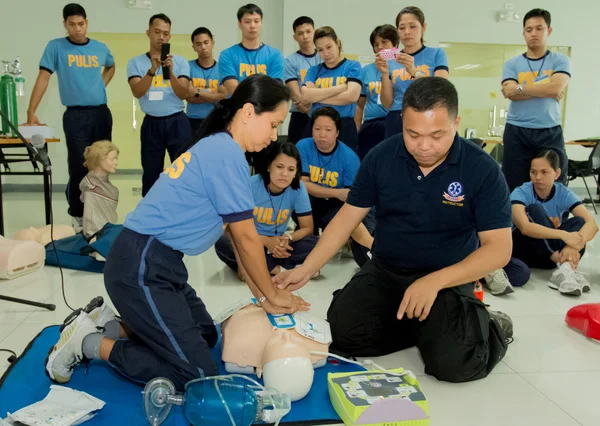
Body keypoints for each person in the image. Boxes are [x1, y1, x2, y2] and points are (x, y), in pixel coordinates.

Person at [45, 75, 309, 391]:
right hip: (140, 268)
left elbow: (238, 243)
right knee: (197, 374)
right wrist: (271, 295)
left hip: (158, 264)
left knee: (207, 335)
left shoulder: (219, 148)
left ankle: (112, 326)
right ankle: (86, 343)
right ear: (249, 112)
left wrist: (262, 295)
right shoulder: (225, 154)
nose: (274, 135)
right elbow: (246, 238)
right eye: (273, 124)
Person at [276, 77, 514, 383]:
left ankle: (490, 327)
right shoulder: (381, 157)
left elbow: (499, 248)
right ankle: (423, 327)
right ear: (401, 120)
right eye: (413, 134)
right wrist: (306, 269)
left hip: (447, 277)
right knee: (343, 333)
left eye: (437, 135)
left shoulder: (482, 169)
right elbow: (347, 218)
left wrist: (434, 282)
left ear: (456, 122)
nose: (424, 146)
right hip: (387, 270)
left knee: (455, 363)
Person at [26, 3, 115, 232]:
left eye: (81, 24)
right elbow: (43, 78)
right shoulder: (55, 48)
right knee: (79, 165)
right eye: (72, 25)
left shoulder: (99, 47)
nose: (77, 29)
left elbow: (111, 66)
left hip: (101, 113)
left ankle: (101, 212)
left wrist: (100, 86)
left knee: (103, 164)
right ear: (65, 24)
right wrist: (31, 111)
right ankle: (78, 215)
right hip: (75, 115)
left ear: (87, 23)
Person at [215, 142, 319, 277]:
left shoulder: (298, 188)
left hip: (280, 243)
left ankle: (255, 268)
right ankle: (283, 270)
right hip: (251, 240)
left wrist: (288, 238)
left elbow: (307, 228)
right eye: (279, 167)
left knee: (319, 242)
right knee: (222, 244)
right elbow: (229, 228)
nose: (284, 174)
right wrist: (265, 241)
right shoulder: (250, 185)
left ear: (296, 172)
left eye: (291, 169)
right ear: (269, 166)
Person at [501, 8, 571, 192]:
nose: (533, 33)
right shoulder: (511, 64)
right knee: (515, 185)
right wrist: (545, 88)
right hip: (517, 131)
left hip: (549, 130)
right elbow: (509, 92)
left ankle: (552, 221)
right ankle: (517, 222)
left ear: (549, 31)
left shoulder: (560, 61)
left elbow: (555, 87)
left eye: (539, 28)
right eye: (529, 29)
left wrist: (520, 88)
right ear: (523, 32)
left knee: (555, 184)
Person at [511, 150, 597, 296]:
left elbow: (592, 225)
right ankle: (564, 265)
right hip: (526, 250)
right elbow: (524, 227)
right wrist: (564, 235)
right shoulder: (521, 192)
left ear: (557, 173)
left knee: (579, 221)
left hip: (549, 254)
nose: (537, 177)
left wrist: (572, 244)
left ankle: (565, 269)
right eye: (533, 172)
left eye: (544, 172)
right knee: (534, 209)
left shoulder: (563, 192)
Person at [296, 107, 373, 266]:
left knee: (352, 220)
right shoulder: (303, 146)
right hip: (311, 200)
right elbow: (302, 183)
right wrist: (336, 192)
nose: (322, 134)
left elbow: (350, 197)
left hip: (336, 205)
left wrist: (336, 196)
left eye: (328, 129)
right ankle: (310, 240)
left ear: (337, 132)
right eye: (317, 129)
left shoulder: (349, 157)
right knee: (298, 195)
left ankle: (357, 245)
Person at [127, 13, 192, 196]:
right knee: (151, 172)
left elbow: (182, 93)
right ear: (148, 33)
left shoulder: (180, 62)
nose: (161, 37)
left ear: (169, 36)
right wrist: (152, 70)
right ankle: (149, 217)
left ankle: (182, 211)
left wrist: (169, 72)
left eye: (165, 33)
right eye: (157, 32)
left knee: (182, 171)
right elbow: (137, 91)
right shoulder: (135, 63)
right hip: (151, 123)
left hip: (177, 122)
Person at [377, 6, 449, 138]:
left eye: (412, 26)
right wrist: (384, 73)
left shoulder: (437, 54)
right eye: (402, 27)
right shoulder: (392, 58)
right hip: (397, 117)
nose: (407, 32)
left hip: (427, 115)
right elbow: (387, 103)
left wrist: (413, 71)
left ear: (423, 27)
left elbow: (440, 90)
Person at [300, 26, 362, 152]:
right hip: (316, 124)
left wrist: (317, 96)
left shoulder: (352, 66)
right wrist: (340, 88)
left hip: (344, 125)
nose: (326, 53)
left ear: (337, 43)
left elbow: (352, 96)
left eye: (329, 47)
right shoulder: (314, 70)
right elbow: (306, 96)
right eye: (320, 50)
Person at [219, 3, 285, 95]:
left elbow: (274, 90)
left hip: (266, 108)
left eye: (256, 21)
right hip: (237, 108)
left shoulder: (275, 55)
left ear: (261, 23)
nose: (252, 26)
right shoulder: (227, 55)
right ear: (239, 24)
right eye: (247, 21)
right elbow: (234, 90)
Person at [354, 25, 396, 161]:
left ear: (394, 44)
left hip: (394, 123)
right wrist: (356, 131)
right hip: (371, 124)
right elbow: (359, 105)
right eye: (376, 44)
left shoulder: (401, 68)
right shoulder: (366, 70)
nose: (380, 47)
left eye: (384, 42)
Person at [284, 16, 322, 144]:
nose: (305, 36)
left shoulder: (324, 58)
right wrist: (311, 109)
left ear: (314, 32)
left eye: (308, 31)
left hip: (325, 114)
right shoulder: (291, 60)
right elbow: (295, 94)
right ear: (295, 37)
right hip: (300, 116)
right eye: (300, 33)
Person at [186, 27, 227, 136]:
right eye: (198, 44)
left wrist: (197, 92)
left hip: (216, 120)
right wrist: (213, 95)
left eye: (206, 42)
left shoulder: (222, 69)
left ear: (212, 43)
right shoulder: (187, 67)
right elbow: (189, 97)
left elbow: (223, 97)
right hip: (193, 121)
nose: (203, 47)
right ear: (194, 47)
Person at [80, 141, 119, 239]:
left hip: (108, 231)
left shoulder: (107, 187)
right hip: (97, 235)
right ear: (99, 160)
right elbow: (91, 224)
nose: (116, 162)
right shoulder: (91, 187)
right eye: (112, 159)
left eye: (116, 158)